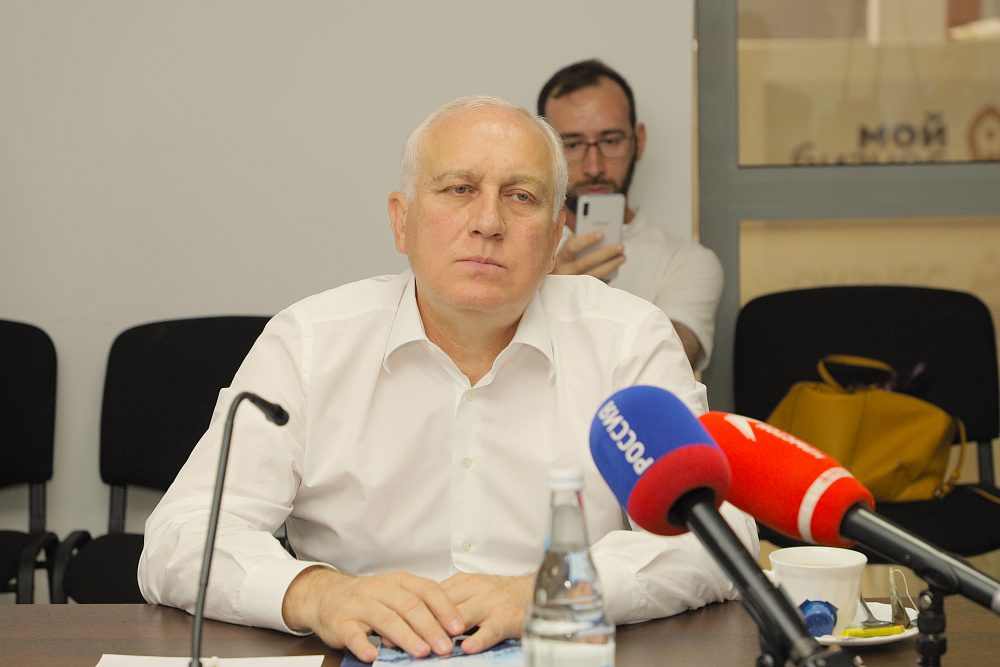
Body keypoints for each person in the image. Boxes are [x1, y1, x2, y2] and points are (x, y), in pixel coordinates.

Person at [138, 95, 757, 663]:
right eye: (459, 189)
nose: (488, 221)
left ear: (554, 238)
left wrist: (551, 590)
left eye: (521, 196)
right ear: (401, 221)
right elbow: (180, 538)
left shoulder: (628, 338)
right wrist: (316, 593)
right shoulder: (308, 342)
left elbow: (721, 538)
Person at [538, 59, 724, 372]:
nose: (594, 167)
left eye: (611, 141)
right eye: (572, 144)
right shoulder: (514, 251)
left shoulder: (687, 262)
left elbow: (667, 368)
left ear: (639, 141)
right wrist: (548, 293)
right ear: (545, 151)